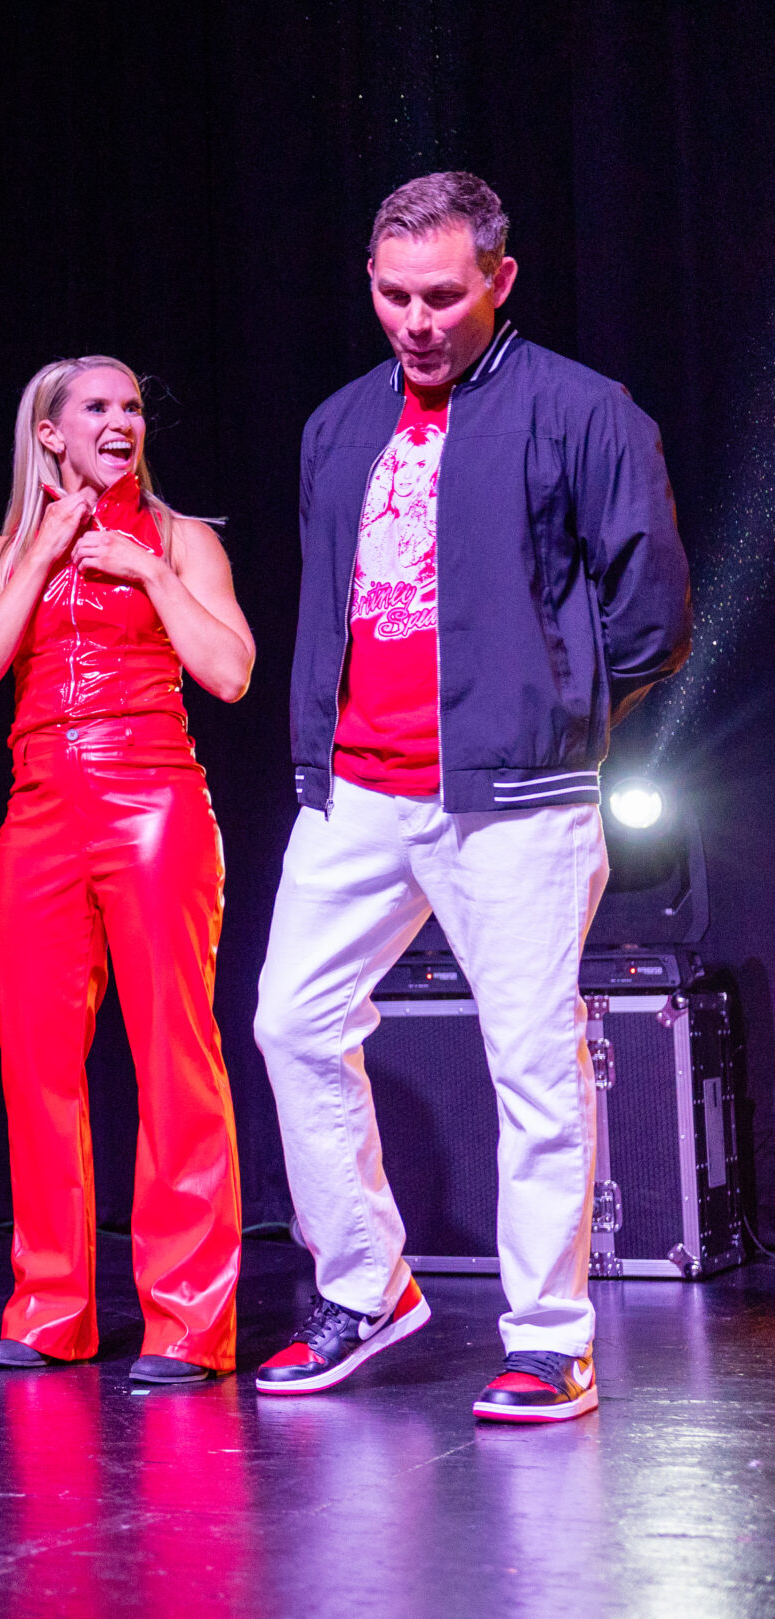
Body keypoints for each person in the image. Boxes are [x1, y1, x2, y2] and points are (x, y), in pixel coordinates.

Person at [252, 172, 690, 1422]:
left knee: (532, 1063)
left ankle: (549, 1337)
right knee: (292, 1023)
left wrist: (552, 717)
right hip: (354, 788)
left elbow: (651, 610)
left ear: (500, 279)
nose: (416, 321)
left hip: (517, 795)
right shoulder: (338, 424)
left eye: (442, 295)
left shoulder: (582, 410)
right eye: (393, 295)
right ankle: (364, 1288)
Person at [0, 356, 256, 1384]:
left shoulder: (181, 538)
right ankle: (50, 1308)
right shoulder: (0, 554)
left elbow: (230, 672)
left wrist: (151, 574)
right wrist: (41, 553)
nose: (122, 420)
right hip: (39, 813)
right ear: (50, 432)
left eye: (131, 406)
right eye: (97, 406)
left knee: (174, 1056)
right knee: (35, 1063)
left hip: (153, 804)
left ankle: (190, 1320)